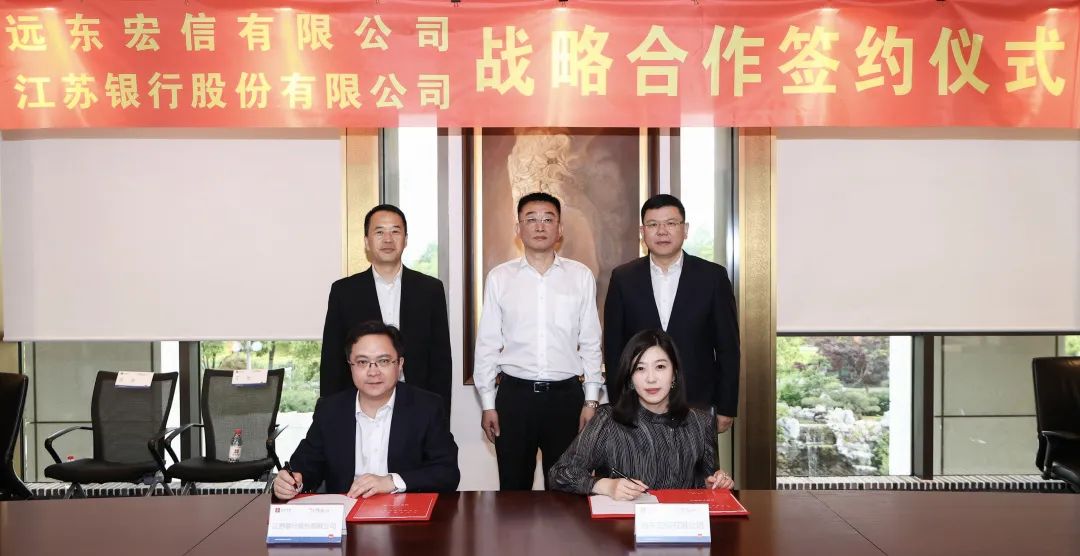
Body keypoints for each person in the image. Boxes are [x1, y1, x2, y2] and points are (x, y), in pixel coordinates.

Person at [474, 191, 603, 490]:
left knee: (567, 489)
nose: (540, 226)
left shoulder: (580, 276)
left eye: (548, 219)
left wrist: (591, 400)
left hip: (566, 399)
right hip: (514, 398)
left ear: (560, 229)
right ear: (518, 229)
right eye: (531, 219)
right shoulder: (500, 278)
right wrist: (488, 404)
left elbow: (591, 342)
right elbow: (487, 345)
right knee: (513, 489)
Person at [274, 321, 459, 500]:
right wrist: (291, 482)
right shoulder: (330, 410)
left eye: (383, 361)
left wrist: (392, 481)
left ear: (400, 364)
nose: (373, 372)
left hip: (404, 511)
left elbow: (447, 472)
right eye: (362, 362)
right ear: (350, 365)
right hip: (346, 512)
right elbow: (305, 467)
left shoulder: (426, 407)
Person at [604, 194, 740, 433]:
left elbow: (728, 348)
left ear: (685, 229)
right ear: (642, 231)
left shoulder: (712, 277)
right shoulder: (623, 278)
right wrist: (618, 402)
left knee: (697, 460)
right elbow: (614, 347)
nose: (662, 231)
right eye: (653, 224)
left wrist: (726, 406)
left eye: (670, 223)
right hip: (638, 404)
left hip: (697, 402)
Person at [549, 329, 733, 499]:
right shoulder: (607, 421)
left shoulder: (700, 422)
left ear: (674, 373)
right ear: (630, 378)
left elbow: (706, 480)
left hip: (681, 521)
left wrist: (714, 484)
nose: (651, 378)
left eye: (660, 367)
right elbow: (559, 474)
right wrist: (606, 486)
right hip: (624, 522)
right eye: (640, 368)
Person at [319, 204, 452, 414]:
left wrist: (440, 415)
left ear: (405, 239)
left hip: (417, 404)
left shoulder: (430, 289)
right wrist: (331, 415)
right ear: (366, 241)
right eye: (379, 232)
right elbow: (332, 360)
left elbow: (440, 360)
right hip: (361, 405)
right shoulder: (344, 291)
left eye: (395, 232)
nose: (388, 239)